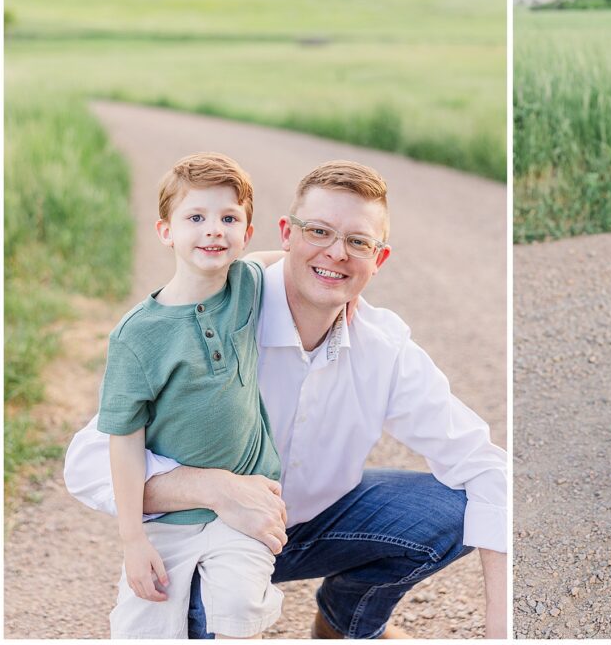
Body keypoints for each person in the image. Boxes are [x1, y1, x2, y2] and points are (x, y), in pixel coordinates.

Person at [66, 159, 508, 638]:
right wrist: (212, 488)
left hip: (316, 526)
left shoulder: (384, 346)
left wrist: (499, 632)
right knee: (204, 621)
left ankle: (344, 622)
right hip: (211, 535)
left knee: (453, 509)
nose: (337, 253)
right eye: (318, 231)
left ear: (378, 260)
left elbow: (487, 467)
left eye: (358, 242)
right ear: (287, 234)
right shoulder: (217, 315)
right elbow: (86, 462)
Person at [98, 152, 283, 638]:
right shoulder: (137, 337)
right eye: (196, 218)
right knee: (142, 626)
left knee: (239, 608)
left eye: (229, 218)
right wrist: (133, 539)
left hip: (245, 501)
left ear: (246, 230)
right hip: (168, 519)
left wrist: (349, 296)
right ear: (166, 232)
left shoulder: (246, 284)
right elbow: (123, 441)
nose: (213, 230)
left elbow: (281, 262)